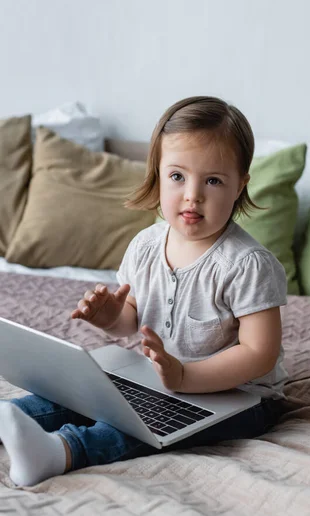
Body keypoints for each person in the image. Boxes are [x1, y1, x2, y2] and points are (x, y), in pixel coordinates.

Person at [0, 95, 288, 487]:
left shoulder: (246, 264)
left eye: (214, 180)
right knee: (77, 393)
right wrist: (111, 319)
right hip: (157, 379)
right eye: (177, 177)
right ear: (157, 173)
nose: (192, 194)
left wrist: (185, 375)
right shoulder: (146, 246)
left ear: (240, 185)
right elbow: (132, 319)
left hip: (239, 399)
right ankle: (10, 418)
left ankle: (60, 452)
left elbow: (259, 353)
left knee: (137, 429)